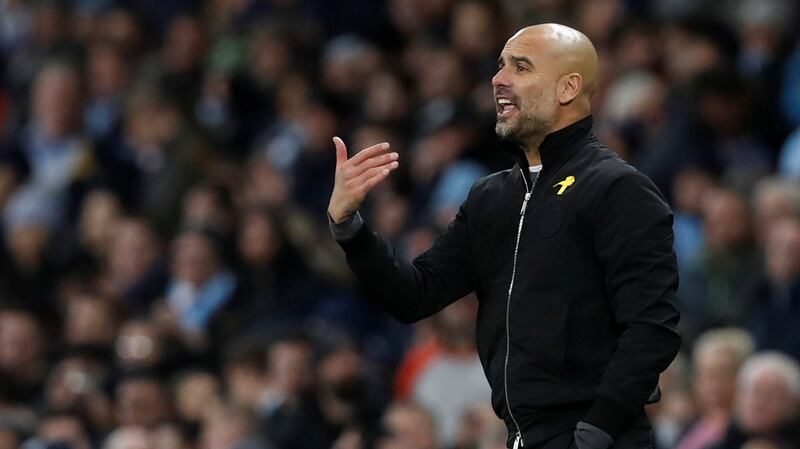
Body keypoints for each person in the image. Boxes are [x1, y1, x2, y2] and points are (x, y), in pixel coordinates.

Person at [327, 23, 680, 449]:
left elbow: (651, 327)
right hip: (520, 436)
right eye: (500, 66)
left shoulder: (616, 188)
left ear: (568, 88)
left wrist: (598, 428)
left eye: (521, 67)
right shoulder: (490, 197)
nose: (498, 79)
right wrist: (349, 227)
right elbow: (414, 295)